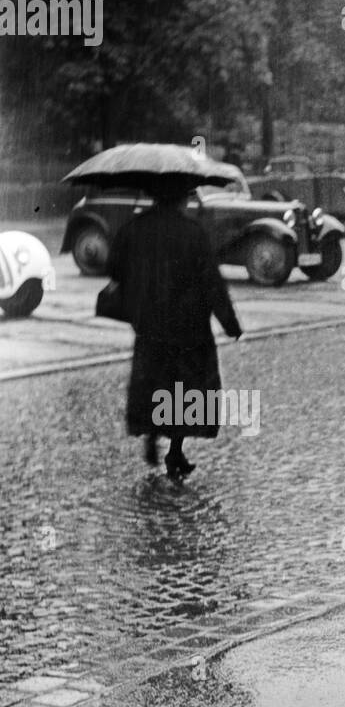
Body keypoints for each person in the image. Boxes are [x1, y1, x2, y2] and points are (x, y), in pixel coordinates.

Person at [112, 177, 242, 480]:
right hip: (189, 328)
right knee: (185, 389)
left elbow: (116, 268)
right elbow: (212, 283)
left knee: (154, 382)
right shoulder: (193, 233)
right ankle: (175, 450)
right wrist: (230, 323)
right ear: (181, 199)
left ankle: (153, 437)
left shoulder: (135, 228)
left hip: (150, 324)